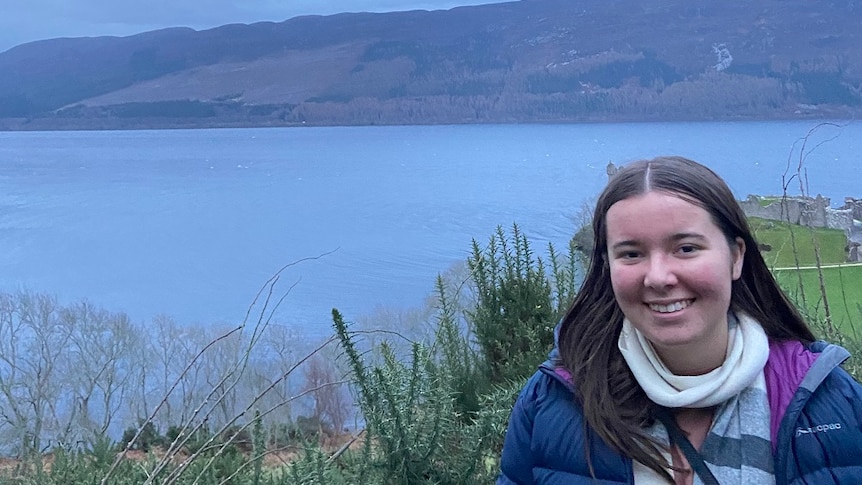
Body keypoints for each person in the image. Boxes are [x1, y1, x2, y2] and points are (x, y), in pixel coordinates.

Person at [498, 156, 862, 484]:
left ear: (736, 257)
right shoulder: (550, 401)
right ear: (607, 266)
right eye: (631, 253)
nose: (658, 277)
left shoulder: (831, 403)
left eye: (686, 248)